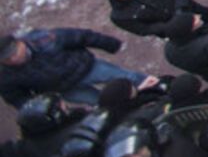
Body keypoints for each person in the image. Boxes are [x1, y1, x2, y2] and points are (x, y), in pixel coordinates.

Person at [0, 28, 146, 106]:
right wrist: (40, 107)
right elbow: (17, 98)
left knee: (128, 78)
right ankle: (133, 110)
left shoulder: (42, 38)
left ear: (20, 43)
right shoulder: (5, 76)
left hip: (88, 68)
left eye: (14, 53)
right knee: (102, 103)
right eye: (7, 59)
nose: (14, 58)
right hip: (67, 90)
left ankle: (155, 89)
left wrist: (109, 43)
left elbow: (80, 36)